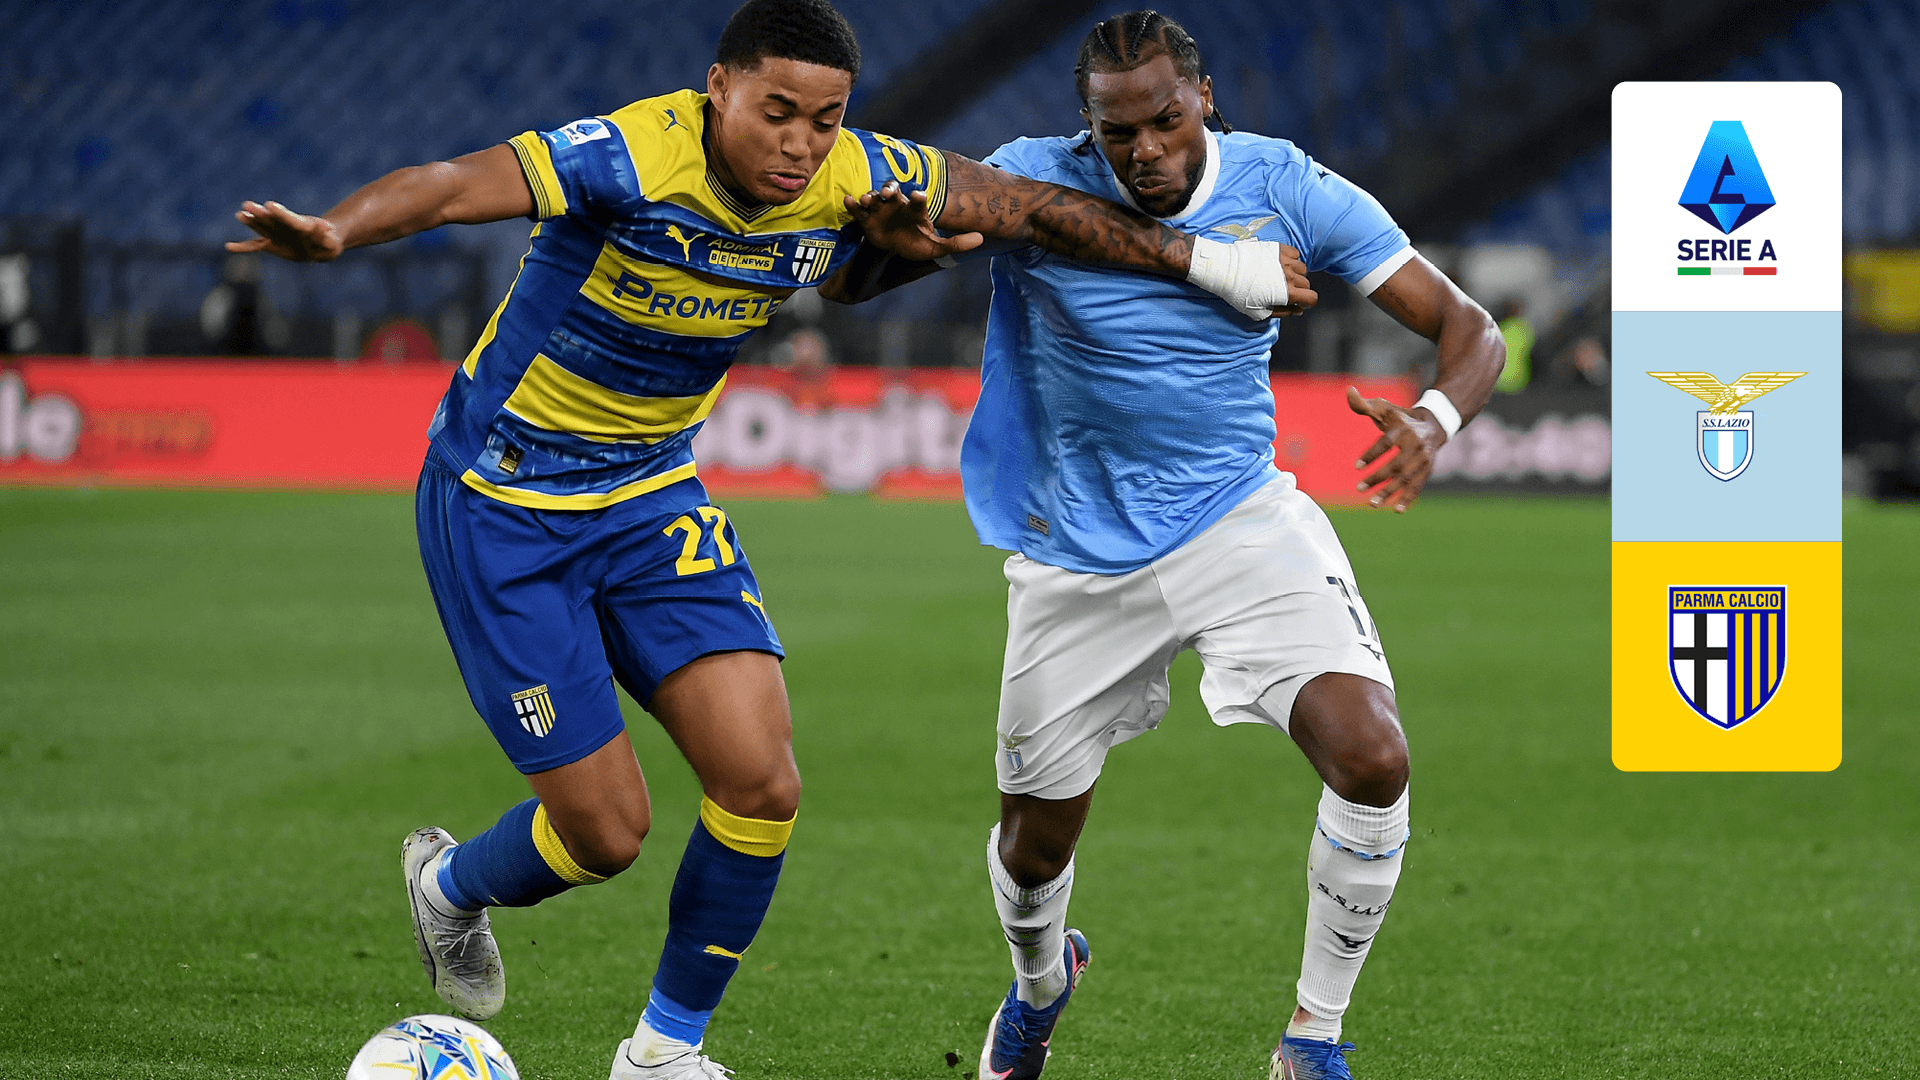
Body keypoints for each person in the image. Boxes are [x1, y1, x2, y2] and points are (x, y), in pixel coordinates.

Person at [224, 2, 1311, 1077]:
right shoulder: (633, 155)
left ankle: (663, 1054)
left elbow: (1026, 208)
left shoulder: (856, 173)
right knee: (605, 835)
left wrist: (1205, 262)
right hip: (503, 502)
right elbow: (457, 185)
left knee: (762, 786)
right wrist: (339, 231)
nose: (800, 144)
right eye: (776, 112)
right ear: (719, 89)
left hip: (650, 495)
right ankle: (450, 886)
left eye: (825, 120)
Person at [823, 11, 1504, 1080]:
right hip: (1075, 555)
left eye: (1166, 121)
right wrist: (877, 245)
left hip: (1239, 522)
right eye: (1118, 132)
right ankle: (1040, 986)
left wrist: (1435, 418)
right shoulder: (1030, 178)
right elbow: (853, 285)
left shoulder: (1284, 184)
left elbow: (1471, 327)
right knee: (1033, 849)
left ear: (1204, 101)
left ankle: (1313, 1039)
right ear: (1085, 126)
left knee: (1374, 759)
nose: (1145, 150)